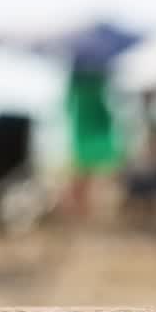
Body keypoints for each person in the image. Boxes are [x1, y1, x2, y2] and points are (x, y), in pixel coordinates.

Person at [61, 68, 124, 222]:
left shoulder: (83, 80)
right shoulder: (99, 77)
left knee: (88, 172)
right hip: (91, 129)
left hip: (89, 129)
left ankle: (85, 210)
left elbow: (68, 106)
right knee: (89, 172)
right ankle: (84, 209)